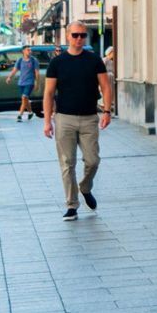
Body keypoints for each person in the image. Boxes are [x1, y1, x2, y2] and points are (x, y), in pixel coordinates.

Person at [43, 22, 113, 221]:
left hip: (90, 118)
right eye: (75, 35)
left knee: (93, 160)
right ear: (67, 36)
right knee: (67, 163)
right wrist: (47, 121)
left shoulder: (94, 61)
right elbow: (48, 93)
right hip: (64, 119)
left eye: (83, 35)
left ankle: (85, 187)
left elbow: (106, 87)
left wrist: (107, 111)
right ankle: (72, 205)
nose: (79, 39)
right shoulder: (57, 63)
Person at [7, 45, 38, 121]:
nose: (30, 51)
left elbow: (37, 72)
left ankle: (20, 115)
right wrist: (9, 77)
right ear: (23, 51)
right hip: (21, 83)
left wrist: (37, 82)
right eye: (28, 50)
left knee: (24, 97)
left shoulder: (34, 60)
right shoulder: (20, 60)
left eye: (30, 50)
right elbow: (15, 70)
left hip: (30, 82)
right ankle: (30, 112)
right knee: (25, 99)